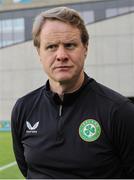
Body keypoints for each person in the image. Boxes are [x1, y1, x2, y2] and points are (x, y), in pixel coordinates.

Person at [11, 6, 134, 179]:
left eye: (70, 45)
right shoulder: (24, 108)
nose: (61, 55)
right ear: (39, 52)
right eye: (51, 47)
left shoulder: (119, 111)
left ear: (85, 48)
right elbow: (27, 170)